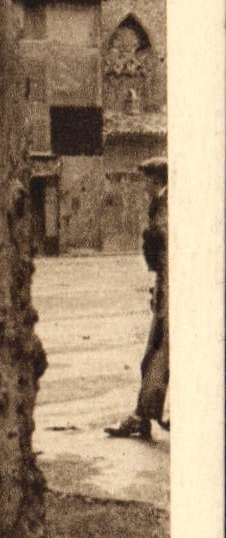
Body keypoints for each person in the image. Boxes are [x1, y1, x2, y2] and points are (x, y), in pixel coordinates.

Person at [106, 158, 169, 440]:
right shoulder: (163, 201)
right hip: (168, 288)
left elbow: (165, 251)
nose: (143, 185)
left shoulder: (166, 204)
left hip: (173, 291)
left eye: (146, 179)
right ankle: (146, 414)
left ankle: (143, 415)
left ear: (155, 179)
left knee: (158, 355)